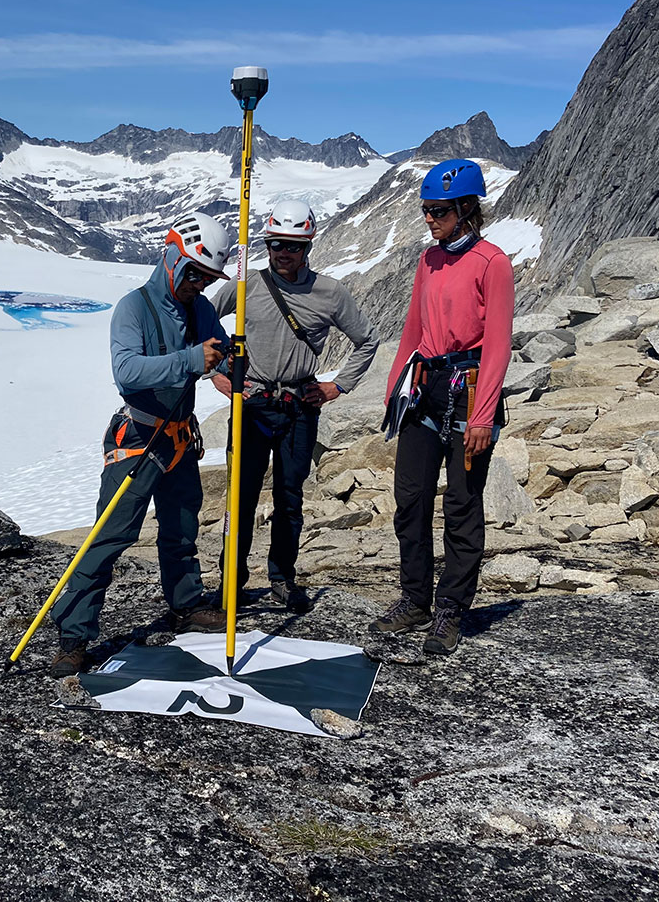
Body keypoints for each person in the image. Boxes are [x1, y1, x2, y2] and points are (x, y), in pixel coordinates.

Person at [50, 211, 235, 677]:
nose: (200, 284)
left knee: (181, 525)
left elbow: (218, 361)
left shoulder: (201, 309)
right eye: (194, 273)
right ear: (171, 256)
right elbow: (126, 371)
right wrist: (194, 358)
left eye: (208, 278)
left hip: (177, 436)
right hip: (137, 436)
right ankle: (74, 635)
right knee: (110, 535)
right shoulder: (133, 308)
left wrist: (226, 366)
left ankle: (185, 604)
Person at [370, 159, 514, 656]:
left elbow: (497, 343)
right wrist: (394, 388)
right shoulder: (428, 261)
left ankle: (451, 607)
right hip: (425, 386)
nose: (429, 219)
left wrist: (482, 415)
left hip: (470, 389)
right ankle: (415, 598)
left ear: (467, 210)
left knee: (461, 504)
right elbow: (413, 329)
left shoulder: (493, 263)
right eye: (426, 211)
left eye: (438, 211)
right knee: (410, 498)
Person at [210, 199, 380, 611]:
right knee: (241, 498)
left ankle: (282, 578)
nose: (283, 253)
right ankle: (231, 581)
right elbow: (201, 322)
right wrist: (213, 372)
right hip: (251, 403)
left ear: (308, 246)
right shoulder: (244, 286)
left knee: (289, 497)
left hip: (299, 406)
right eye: (275, 245)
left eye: (293, 246)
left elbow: (367, 340)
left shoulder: (330, 293)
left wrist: (337, 386)